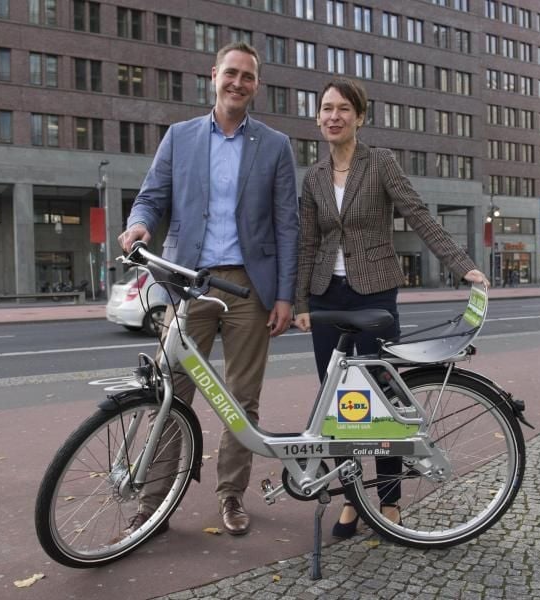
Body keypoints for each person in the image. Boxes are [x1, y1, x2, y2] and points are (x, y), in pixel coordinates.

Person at [293, 77, 489, 539]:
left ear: (359, 117)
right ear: (318, 118)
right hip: (325, 296)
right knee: (338, 402)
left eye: (344, 109)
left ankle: (389, 499)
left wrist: (463, 266)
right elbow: (307, 243)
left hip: (374, 294)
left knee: (383, 396)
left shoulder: (380, 162)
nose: (334, 116)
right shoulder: (314, 176)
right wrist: (301, 300)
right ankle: (351, 498)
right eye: (327, 109)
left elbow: (418, 215)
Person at [118, 42, 298, 537]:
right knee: (168, 393)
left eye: (248, 76)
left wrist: (286, 295)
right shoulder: (180, 137)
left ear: (256, 86)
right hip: (188, 281)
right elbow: (152, 197)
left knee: (241, 398)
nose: (238, 83)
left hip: (248, 286)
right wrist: (139, 225)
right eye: (231, 73)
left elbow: (288, 225)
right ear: (214, 75)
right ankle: (153, 504)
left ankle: (231, 495)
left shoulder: (275, 145)